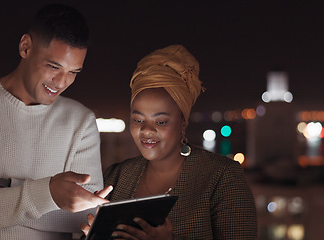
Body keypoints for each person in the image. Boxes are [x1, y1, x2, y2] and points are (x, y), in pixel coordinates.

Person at [0, 4, 111, 240]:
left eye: (73, 72)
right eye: (53, 66)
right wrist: (51, 195)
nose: (61, 82)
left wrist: (3, 185)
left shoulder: (81, 121)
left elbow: (84, 217)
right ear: (25, 47)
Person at [81, 45, 258, 239]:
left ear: (183, 123)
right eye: (138, 120)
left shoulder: (221, 177)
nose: (146, 130)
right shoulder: (118, 176)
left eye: (161, 121)